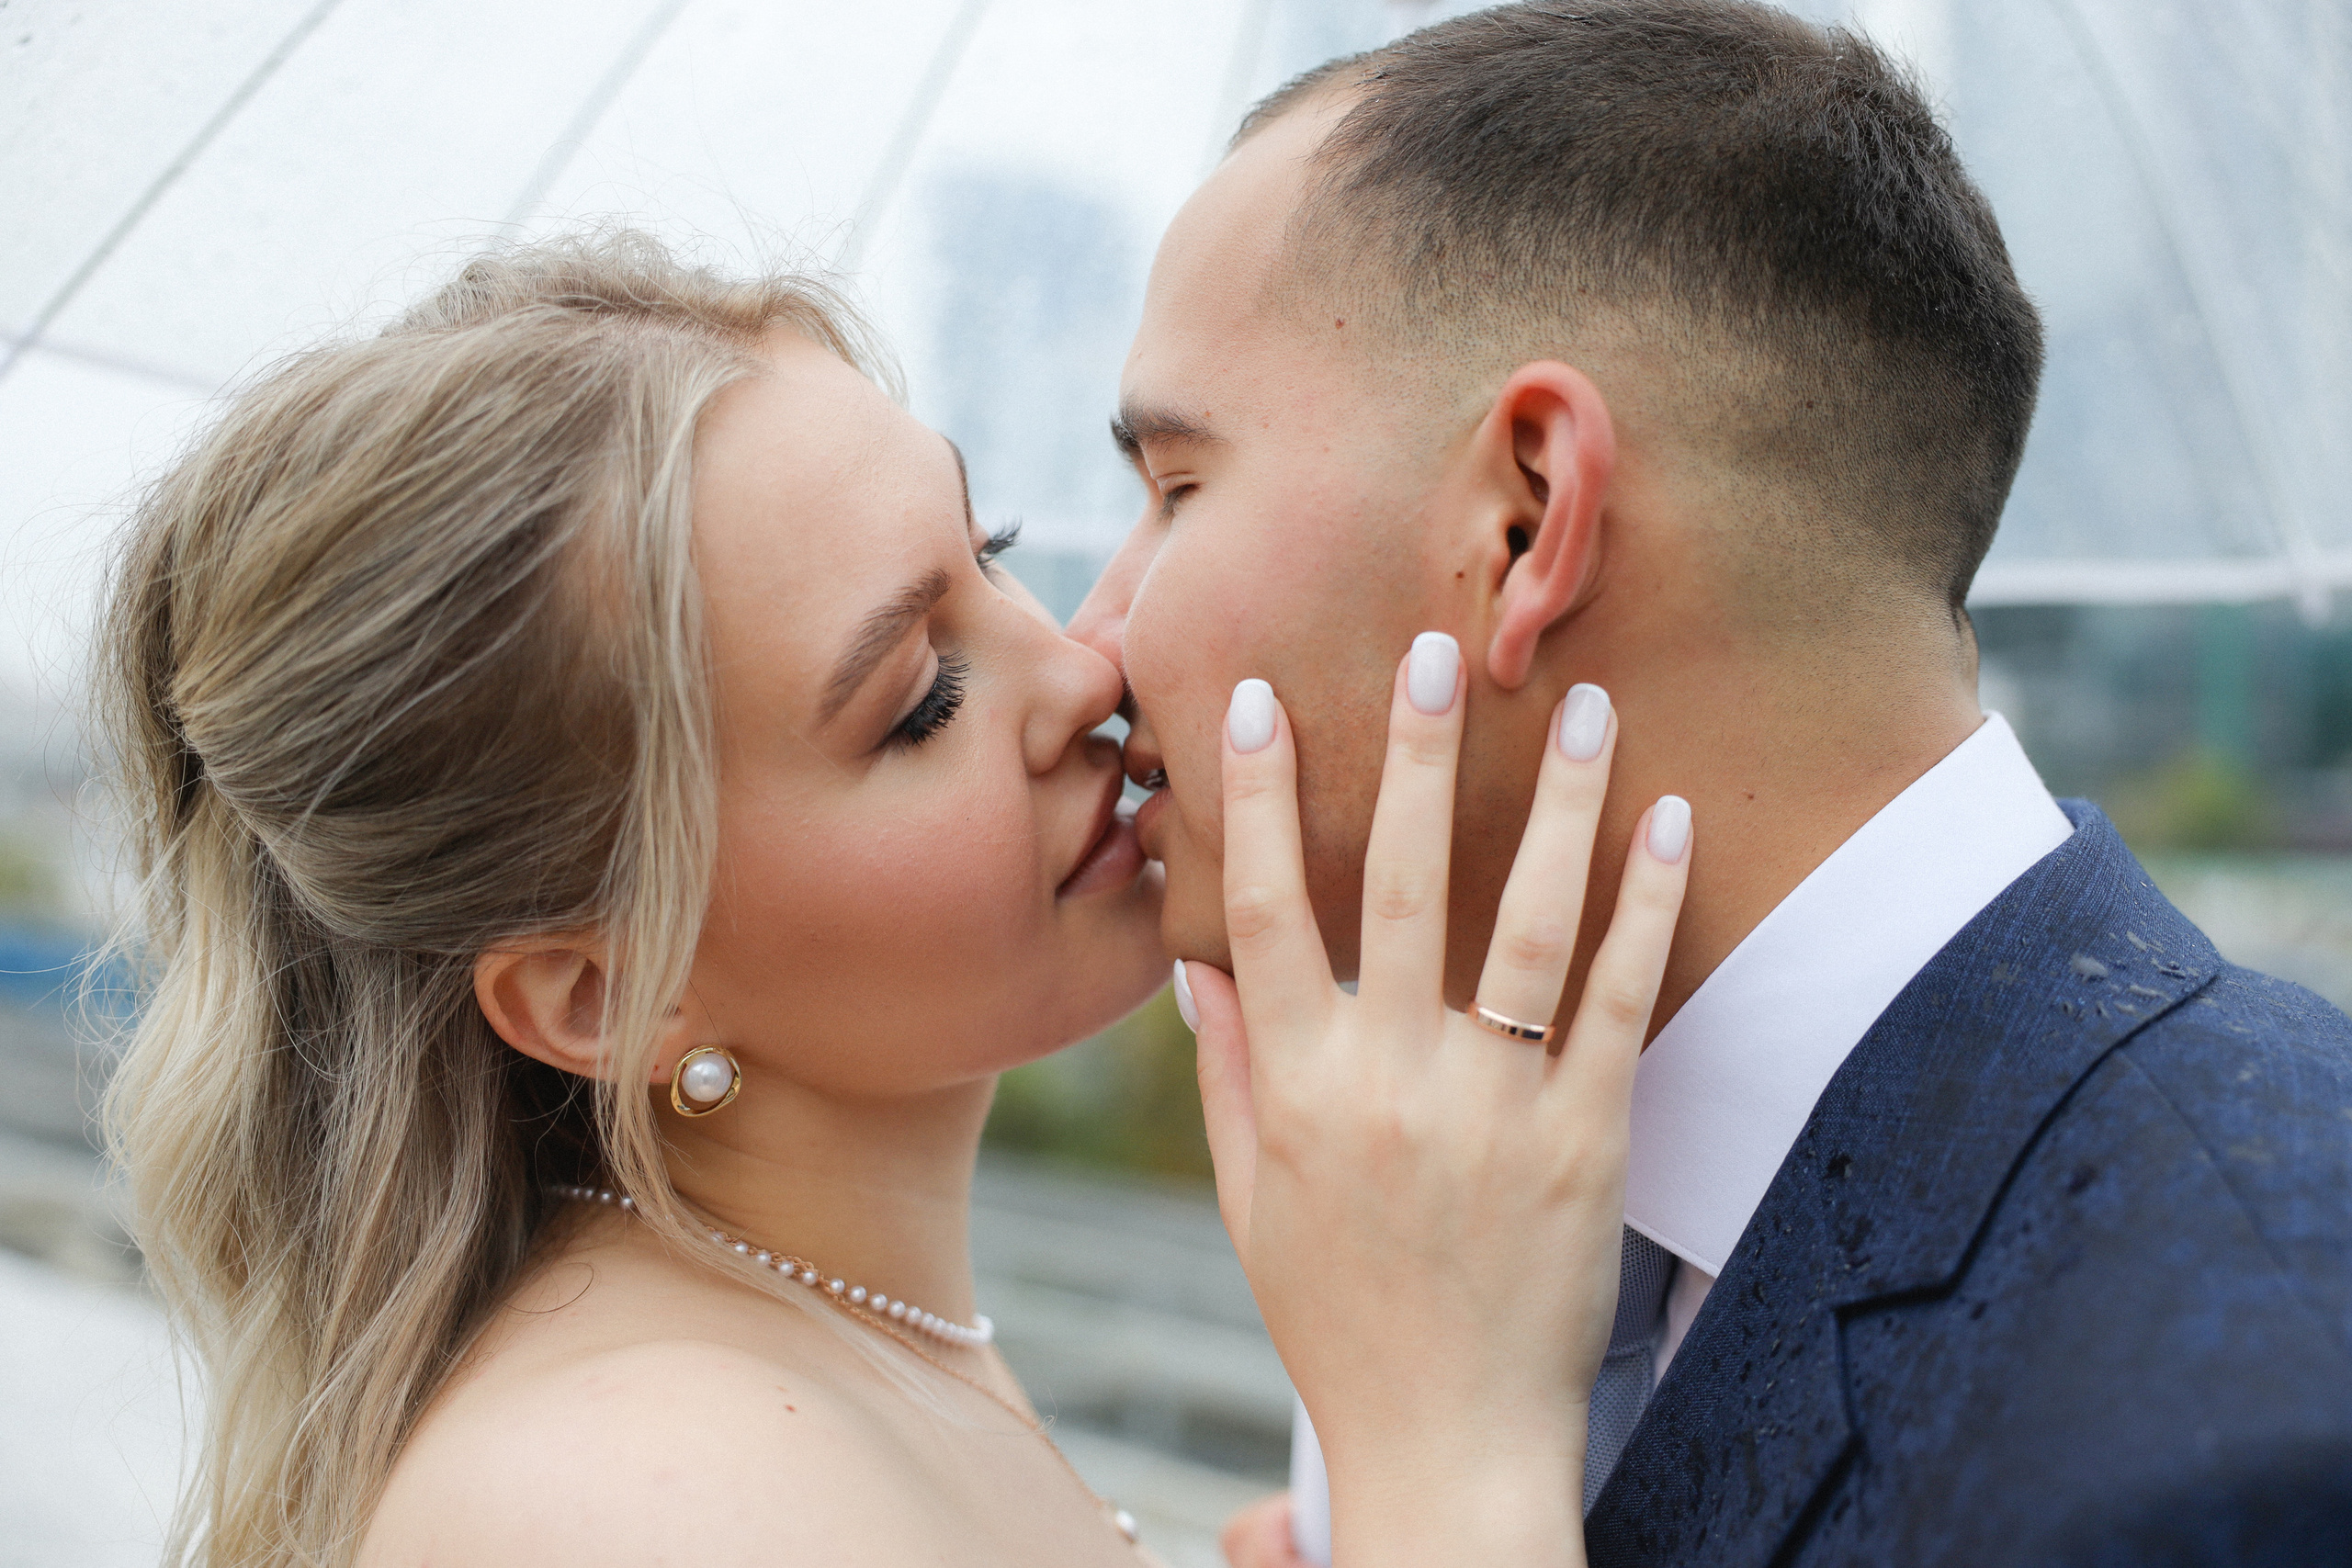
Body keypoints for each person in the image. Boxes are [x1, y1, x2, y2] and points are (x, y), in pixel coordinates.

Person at [98, 232, 1683, 1568]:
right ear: (605, 994)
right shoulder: (621, 1498)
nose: (1083, 664)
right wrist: (1447, 1461)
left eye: (990, 554)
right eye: (921, 697)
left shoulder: (822, 1366)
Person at [1066, 3, 2352, 1563]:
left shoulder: (2247, 1425)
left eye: (1176, 488)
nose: (1094, 637)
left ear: (1530, 521)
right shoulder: (1436, 1217)